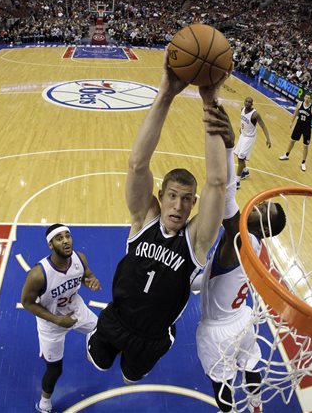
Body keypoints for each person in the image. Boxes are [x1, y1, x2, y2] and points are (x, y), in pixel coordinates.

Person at [86, 50, 232, 384]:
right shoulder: (145, 218)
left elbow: (217, 182)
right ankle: (100, 340)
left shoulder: (196, 240)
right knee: (99, 361)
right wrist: (166, 93)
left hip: (153, 337)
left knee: (130, 375)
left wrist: (209, 99)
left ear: (193, 203)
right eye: (172, 197)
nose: (178, 207)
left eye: (185, 200)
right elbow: (138, 164)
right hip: (116, 320)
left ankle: (133, 366)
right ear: (160, 197)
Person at [193, 143, 286, 412]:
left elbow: (226, 194)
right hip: (243, 318)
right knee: (250, 362)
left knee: (221, 381)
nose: (257, 205)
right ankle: (257, 405)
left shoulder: (239, 239)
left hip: (219, 329)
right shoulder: (256, 245)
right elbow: (216, 276)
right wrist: (194, 283)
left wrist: (227, 147)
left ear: (263, 226)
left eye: (262, 209)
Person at [21, 224, 102, 413]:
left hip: (76, 310)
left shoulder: (79, 259)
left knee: (103, 330)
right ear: (51, 245)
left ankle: (93, 351)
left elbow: (86, 275)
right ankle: (44, 404)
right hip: (52, 325)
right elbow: (27, 302)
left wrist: (92, 280)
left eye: (68, 236)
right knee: (55, 369)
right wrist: (57, 320)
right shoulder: (38, 275)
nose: (66, 241)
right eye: (60, 238)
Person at [234, 96, 271, 189]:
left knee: (241, 158)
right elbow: (243, 121)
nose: (247, 103)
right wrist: (241, 128)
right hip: (243, 135)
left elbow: (263, 126)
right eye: (246, 101)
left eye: (249, 102)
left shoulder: (255, 114)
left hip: (249, 138)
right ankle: (245, 171)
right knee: (238, 156)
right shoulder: (242, 109)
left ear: (252, 104)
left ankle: (237, 182)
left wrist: (268, 139)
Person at [279, 93, 312, 172]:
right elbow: (296, 112)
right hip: (298, 125)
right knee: (292, 141)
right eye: (306, 97)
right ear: (304, 97)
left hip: (307, 128)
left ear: (311, 99)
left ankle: (303, 163)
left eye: (308, 98)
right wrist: (291, 122)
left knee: (305, 146)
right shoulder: (300, 103)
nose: (306, 99)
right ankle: (286, 155)